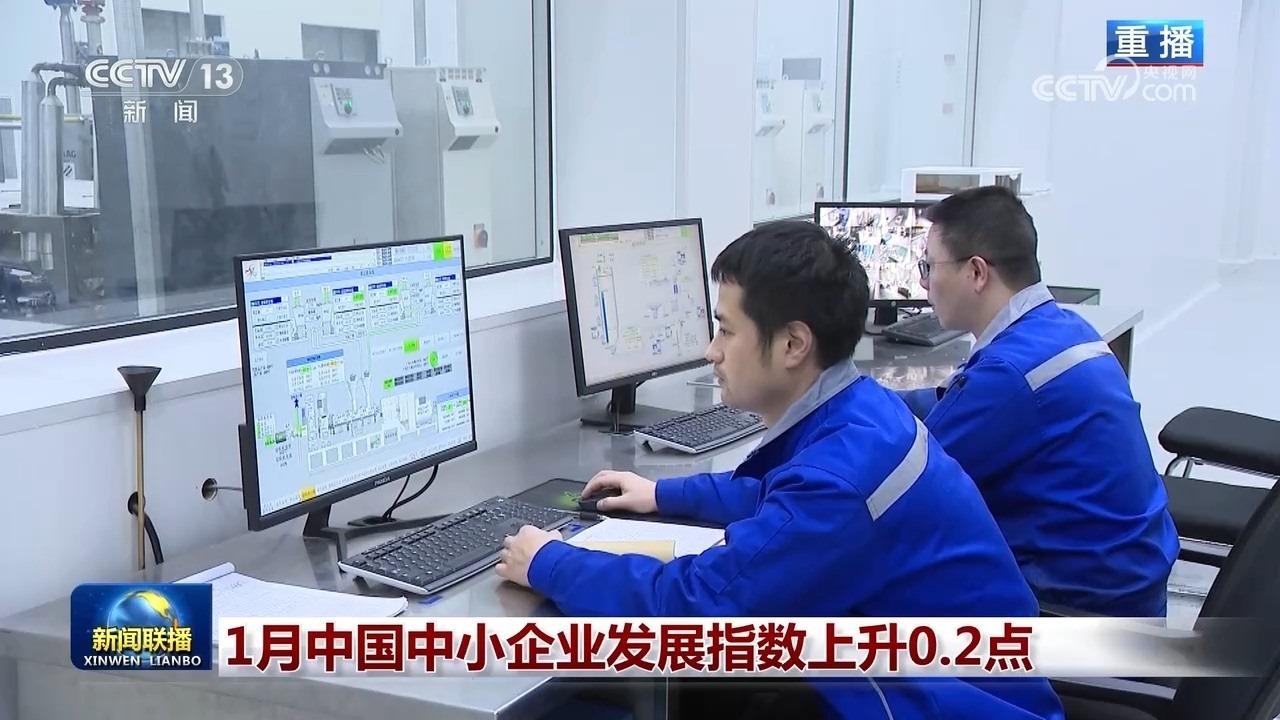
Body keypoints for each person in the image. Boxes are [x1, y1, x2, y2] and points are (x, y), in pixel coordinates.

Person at [496, 220, 1064, 720]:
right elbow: (779, 500)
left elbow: (698, 609)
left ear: (793, 343)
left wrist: (548, 561)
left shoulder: (841, 481)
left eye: (726, 329)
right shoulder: (862, 410)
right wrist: (663, 494)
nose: (712, 351)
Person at [898, 185, 1179, 617]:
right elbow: (953, 403)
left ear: (976, 272)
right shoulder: (1064, 329)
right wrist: (861, 399)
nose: (923, 282)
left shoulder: (1011, 373)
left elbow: (904, 480)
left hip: (1075, 612)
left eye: (929, 266)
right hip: (1130, 588)